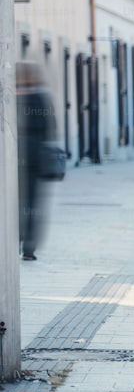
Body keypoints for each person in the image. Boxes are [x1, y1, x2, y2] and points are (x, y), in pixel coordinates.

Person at [16, 61, 55, 261]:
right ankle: (29, 246)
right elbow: (49, 128)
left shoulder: (9, 96)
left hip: (11, 161)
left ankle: (13, 240)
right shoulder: (39, 96)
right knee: (31, 203)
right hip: (33, 161)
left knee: (11, 203)